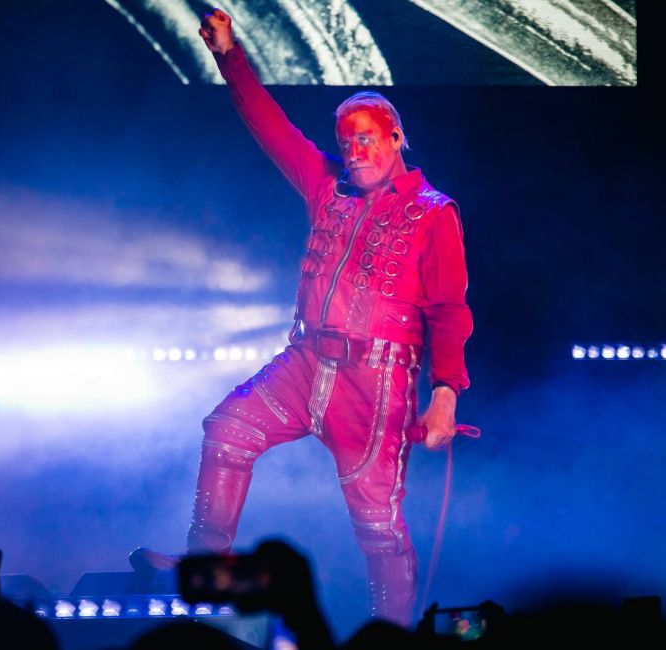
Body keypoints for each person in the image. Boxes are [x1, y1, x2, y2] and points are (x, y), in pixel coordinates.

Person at [180, 8, 473, 627]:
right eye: (346, 141)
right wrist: (230, 57)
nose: (355, 150)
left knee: (377, 525)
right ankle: (204, 569)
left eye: (367, 137)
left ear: (396, 137)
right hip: (304, 360)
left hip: (376, 383)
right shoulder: (327, 188)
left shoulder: (432, 212)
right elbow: (270, 127)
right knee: (227, 430)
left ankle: (391, 635)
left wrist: (445, 392)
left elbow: (449, 309)